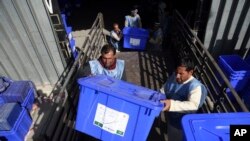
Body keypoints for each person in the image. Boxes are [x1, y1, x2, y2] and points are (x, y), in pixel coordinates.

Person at [160, 57, 207, 141]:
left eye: (181, 73)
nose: (177, 76)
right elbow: (165, 88)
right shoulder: (175, 76)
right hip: (172, 119)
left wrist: (171, 104)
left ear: (190, 72)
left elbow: (193, 105)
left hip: (183, 125)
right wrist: (160, 96)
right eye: (176, 72)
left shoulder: (195, 87)